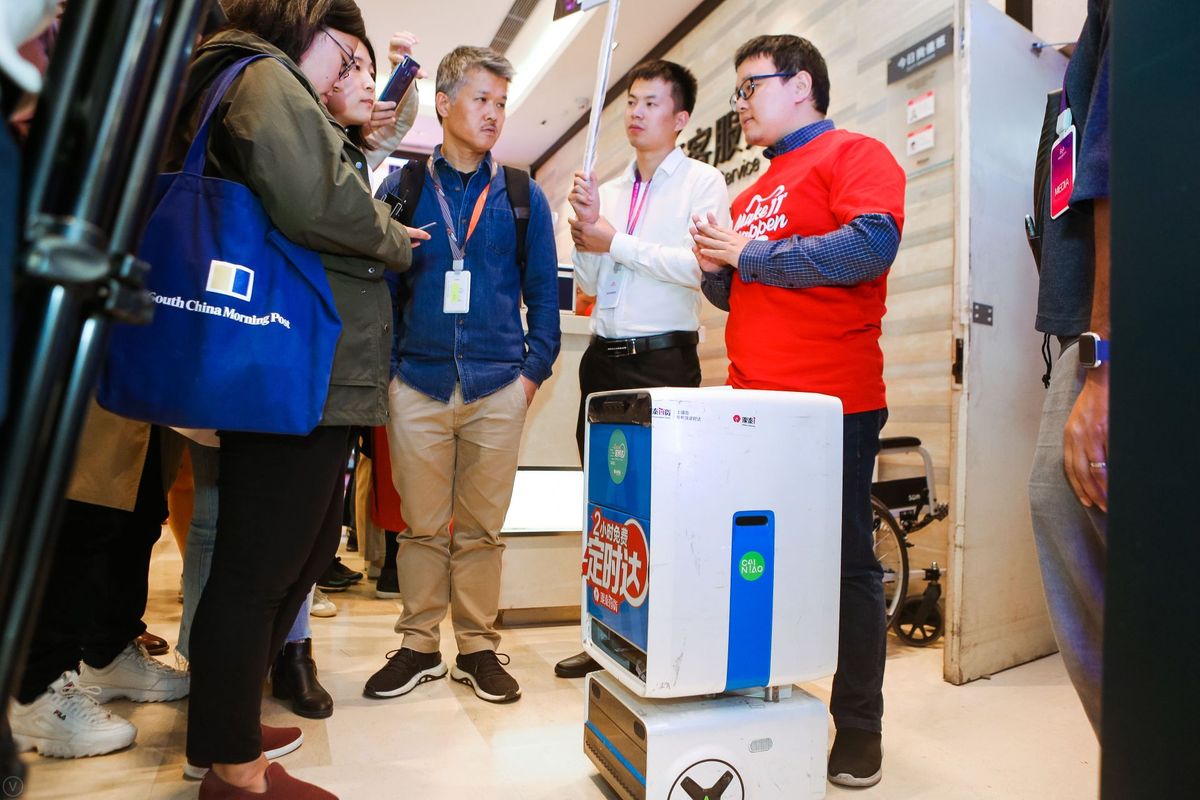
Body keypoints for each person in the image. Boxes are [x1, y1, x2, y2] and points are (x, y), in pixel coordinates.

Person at [169, 0, 426, 796]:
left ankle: (226, 724)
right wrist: (390, 238)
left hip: (312, 371)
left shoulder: (275, 86)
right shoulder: (263, 78)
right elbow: (317, 205)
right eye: (345, 57)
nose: (353, 75)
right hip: (294, 372)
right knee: (261, 567)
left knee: (299, 558)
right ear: (296, 25)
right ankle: (231, 765)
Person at [691, 34, 905, 789]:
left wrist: (749, 254)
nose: (742, 104)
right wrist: (717, 267)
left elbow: (866, 250)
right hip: (753, 405)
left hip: (830, 405)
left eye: (751, 87)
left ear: (802, 85)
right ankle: (759, 690)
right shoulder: (751, 190)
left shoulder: (855, 154)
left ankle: (860, 727)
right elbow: (739, 291)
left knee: (847, 564)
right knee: (757, 558)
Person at [364, 45, 561, 706]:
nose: (494, 114)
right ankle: (419, 644)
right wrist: (390, 374)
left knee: (481, 531)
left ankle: (476, 646)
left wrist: (530, 376)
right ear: (443, 105)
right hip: (416, 385)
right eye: (482, 99)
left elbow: (543, 297)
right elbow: (382, 290)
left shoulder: (521, 195)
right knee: (421, 528)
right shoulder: (405, 188)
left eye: (502, 103)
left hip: (496, 387)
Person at [553, 58, 730, 680]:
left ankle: (658, 639)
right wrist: (584, 234)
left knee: (661, 506)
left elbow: (700, 268)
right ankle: (601, 635)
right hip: (603, 357)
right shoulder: (612, 185)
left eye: (651, 102)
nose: (635, 111)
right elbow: (595, 283)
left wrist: (612, 239)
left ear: (680, 119)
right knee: (603, 506)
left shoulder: (703, 183)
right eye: (631, 100)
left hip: (663, 359)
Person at [1027, 0, 1110, 736]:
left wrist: (1104, 360)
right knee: (1058, 505)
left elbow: (1119, 167)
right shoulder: (1078, 63)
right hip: (1083, 316)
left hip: (1111, 326)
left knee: (1063, 499)